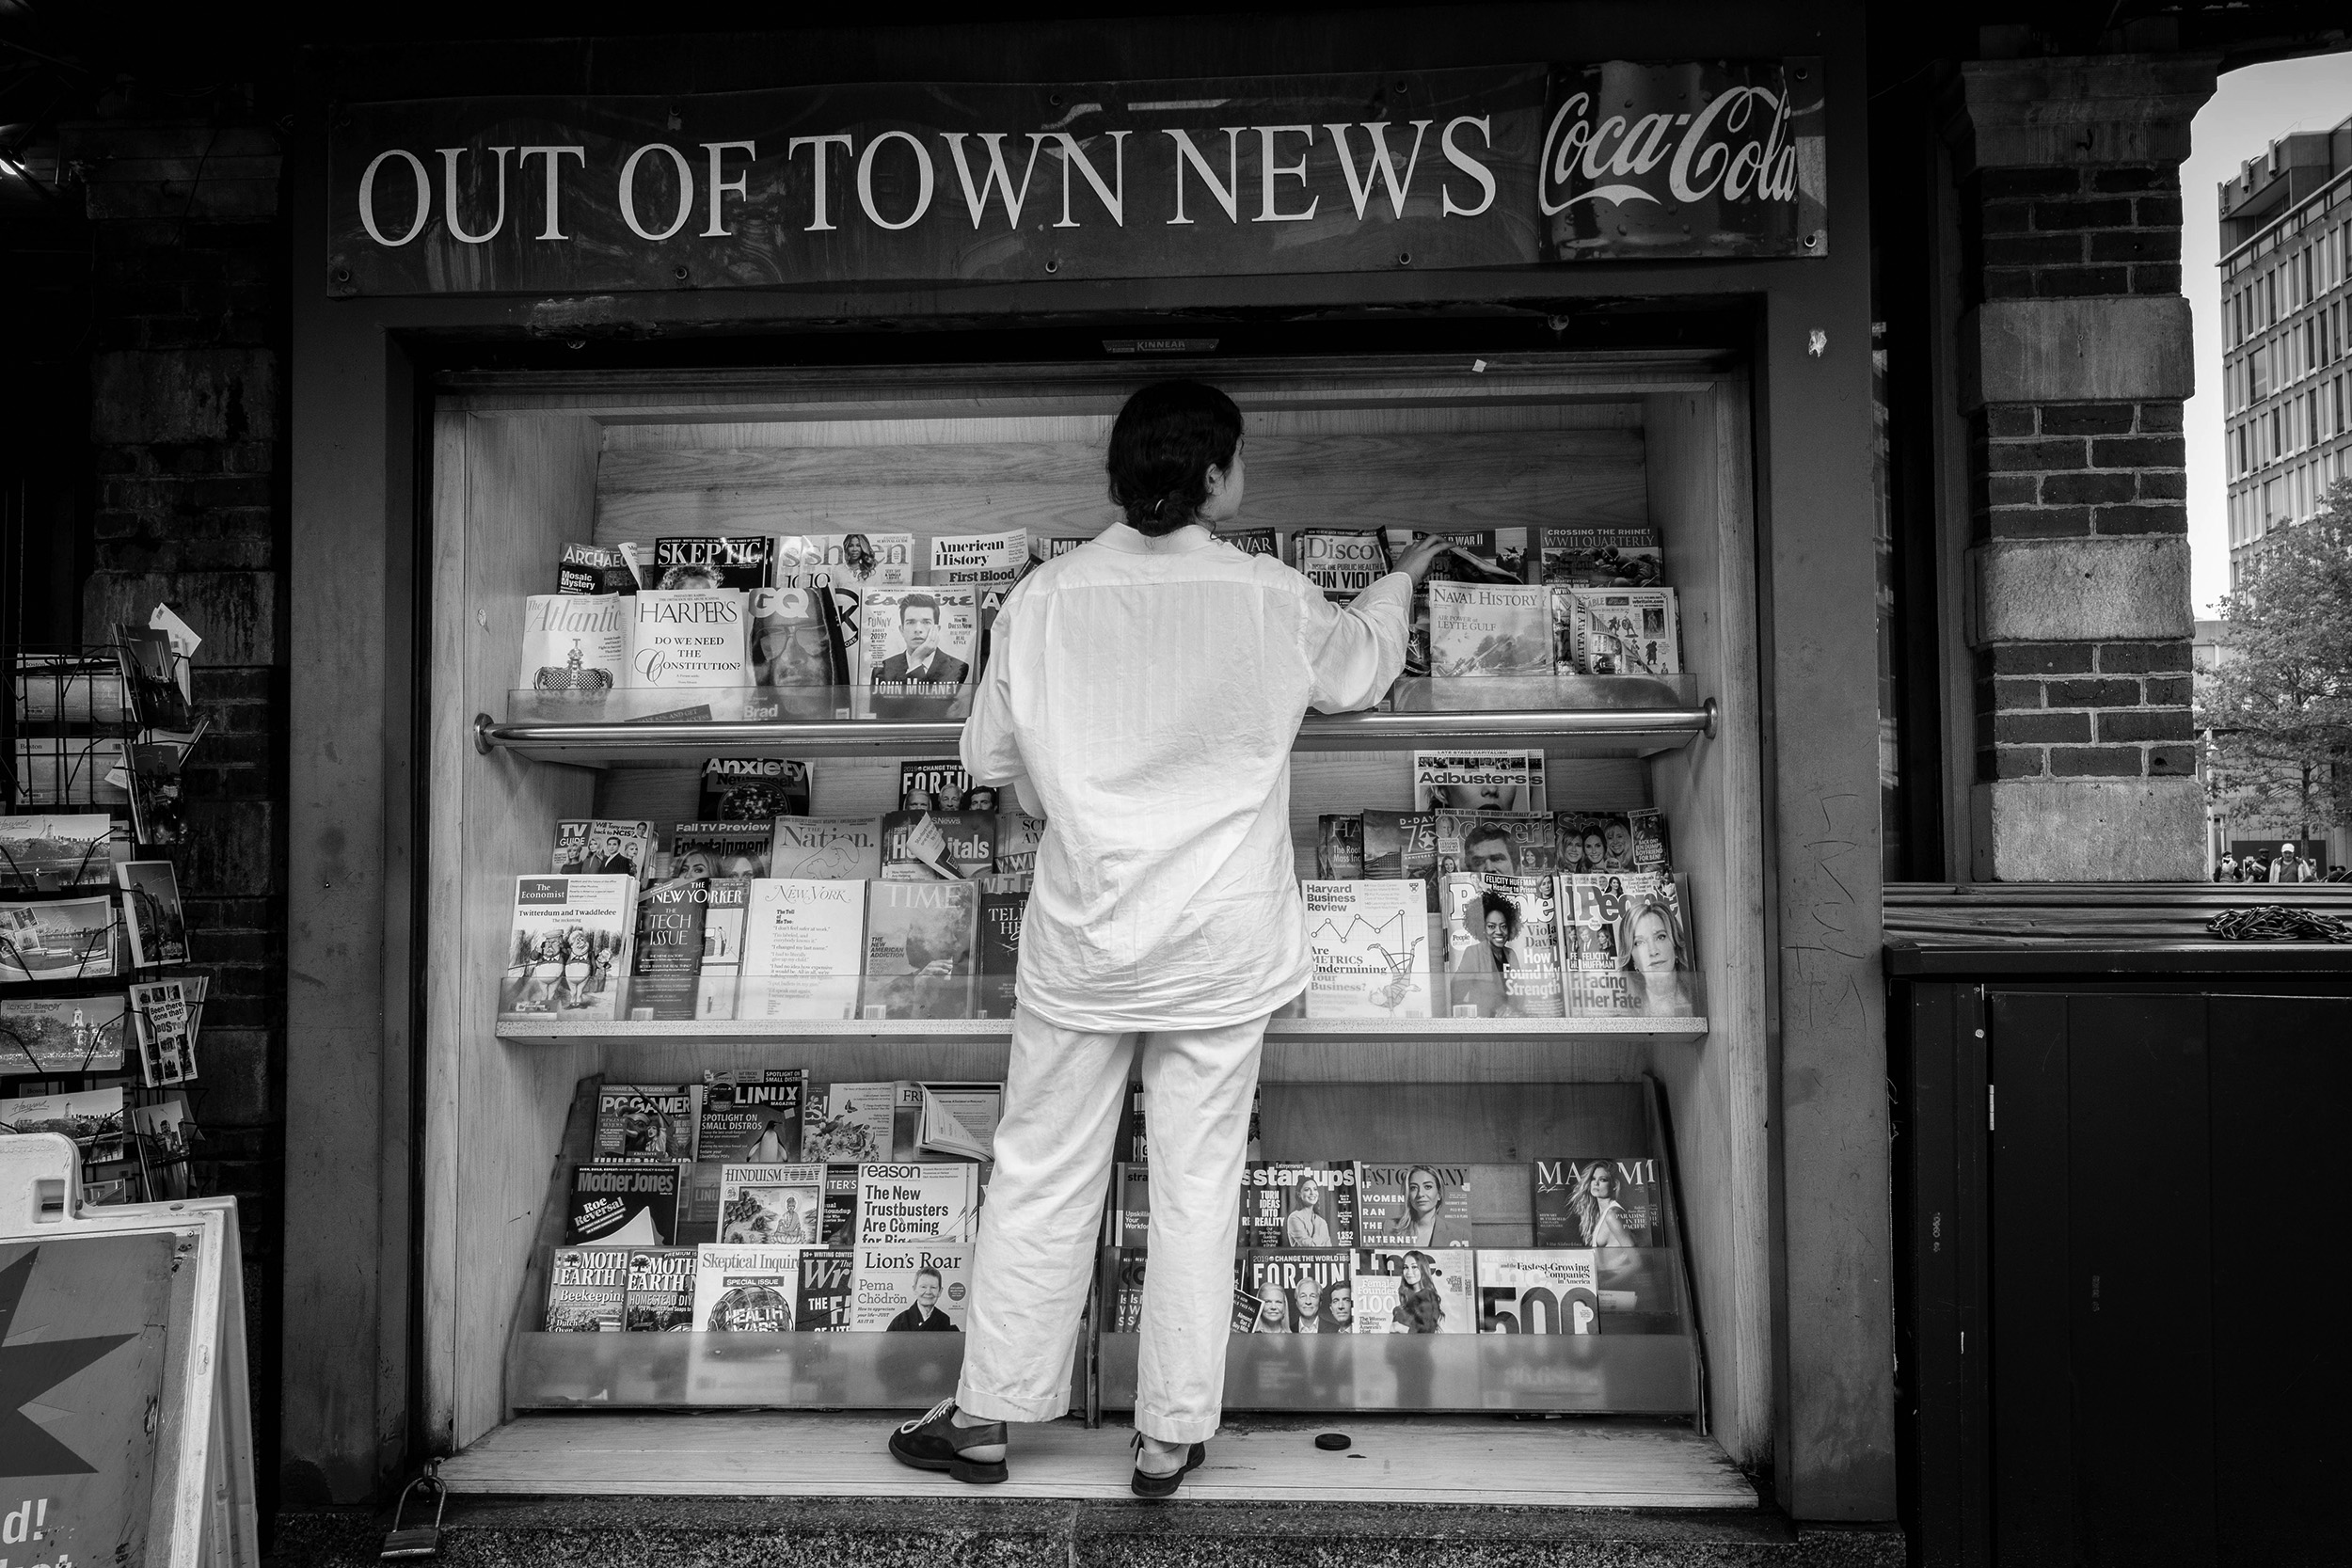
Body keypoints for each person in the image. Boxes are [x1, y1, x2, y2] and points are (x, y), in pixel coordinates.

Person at [886, 379, 1441, 1496]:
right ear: (1219, 478)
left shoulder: (1041, 600)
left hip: (1085, 938)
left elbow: (988, 757)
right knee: (1199, 1181)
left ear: (1117, 477)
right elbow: (1361, 667)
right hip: (1218, 944)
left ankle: (988, 1415)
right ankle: (1168, 1436)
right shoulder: (1268, 595)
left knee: (1040, 1170)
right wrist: (1398, 583)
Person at [1620, 893, 1693, 1017]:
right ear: (1631, 959)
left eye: (1660, 937)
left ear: (1675, 944)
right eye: (1639, 943)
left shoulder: (1696, 998)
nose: (1653, 951)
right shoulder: (1624, 1010)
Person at [1570, 1162, 1638, 1247]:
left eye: (1602, 1180)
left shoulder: (1613, 1214)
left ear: (1615, 1185)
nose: (1596, 1183)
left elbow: (1636, 1256)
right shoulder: (1601, 1214)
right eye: (1593, 1178)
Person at [885, 1267, 959, 1331]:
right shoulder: (900, 1322)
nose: (928, 1292)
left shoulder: (945, 1321)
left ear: (940, 1291)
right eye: (923, 1287)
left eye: (933, 1287)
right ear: (914, 1289)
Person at [1391, 1250, 1447, 1333]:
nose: (1409, 1272)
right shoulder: (1409, 1299)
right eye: (1406, 1267)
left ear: (1422, 1269)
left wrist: (1401, 1328)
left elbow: (1426, 1331)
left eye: (1414, 1267)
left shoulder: (1427, 1295)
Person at [1283, 1172, 1334, 1246]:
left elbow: (1329, 1251)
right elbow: (1311, 1247)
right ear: (1299, 1194)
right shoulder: (1294, 1218)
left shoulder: (1322, 1222)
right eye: (1307, 1190)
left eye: (1315, 1189)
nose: (1312, 1193)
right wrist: (1317, 1229)